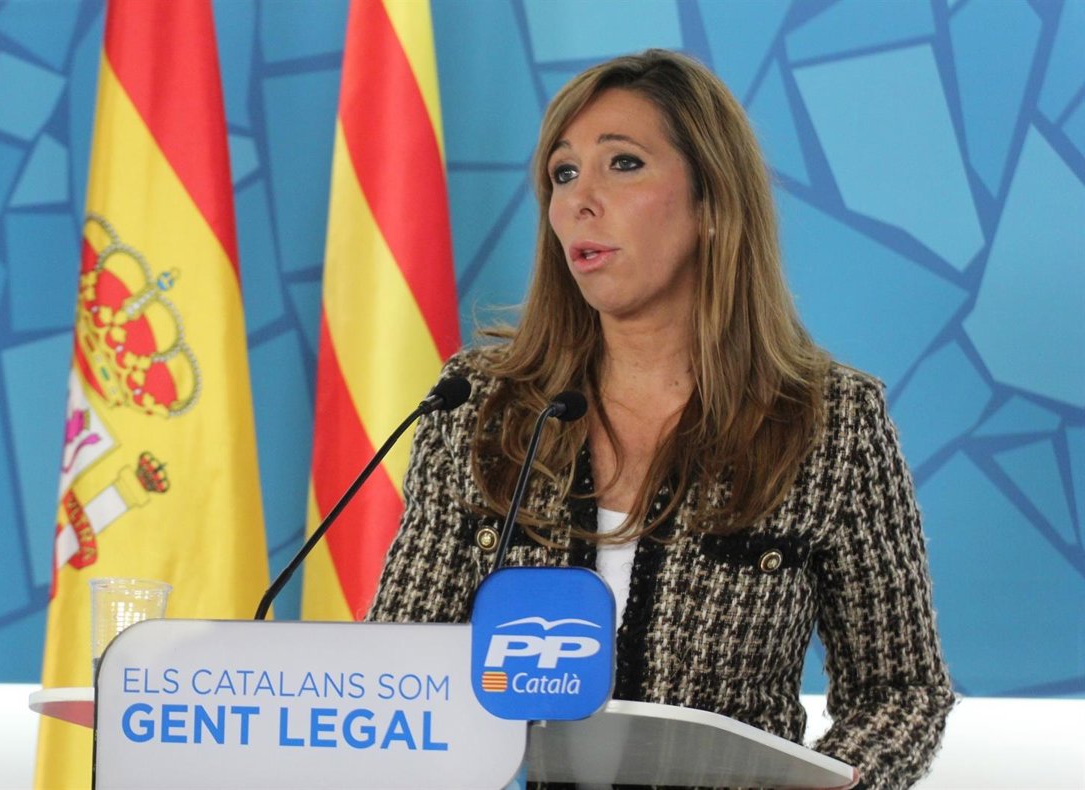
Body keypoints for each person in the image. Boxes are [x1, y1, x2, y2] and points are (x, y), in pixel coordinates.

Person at [369, 49, 954, 789]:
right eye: (563, 173)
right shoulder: (481, 407)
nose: (579, 201)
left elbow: (900, 693)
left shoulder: (830, 424)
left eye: (623, 164)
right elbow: (399, 674)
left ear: (711, 202)